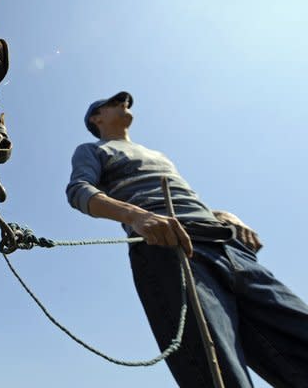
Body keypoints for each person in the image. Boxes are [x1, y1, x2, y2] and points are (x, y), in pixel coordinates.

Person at [66, 91, 308, 387]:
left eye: (125, 101)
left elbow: (185, 200)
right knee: (220, 372)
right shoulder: (93, 149)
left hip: (230, 249)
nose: (124, 104)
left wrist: (223, 213)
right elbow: (79, 191)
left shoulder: (160, 156)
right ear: (96, 117)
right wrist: (136, 216)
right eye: (114, 102)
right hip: (170, 247)